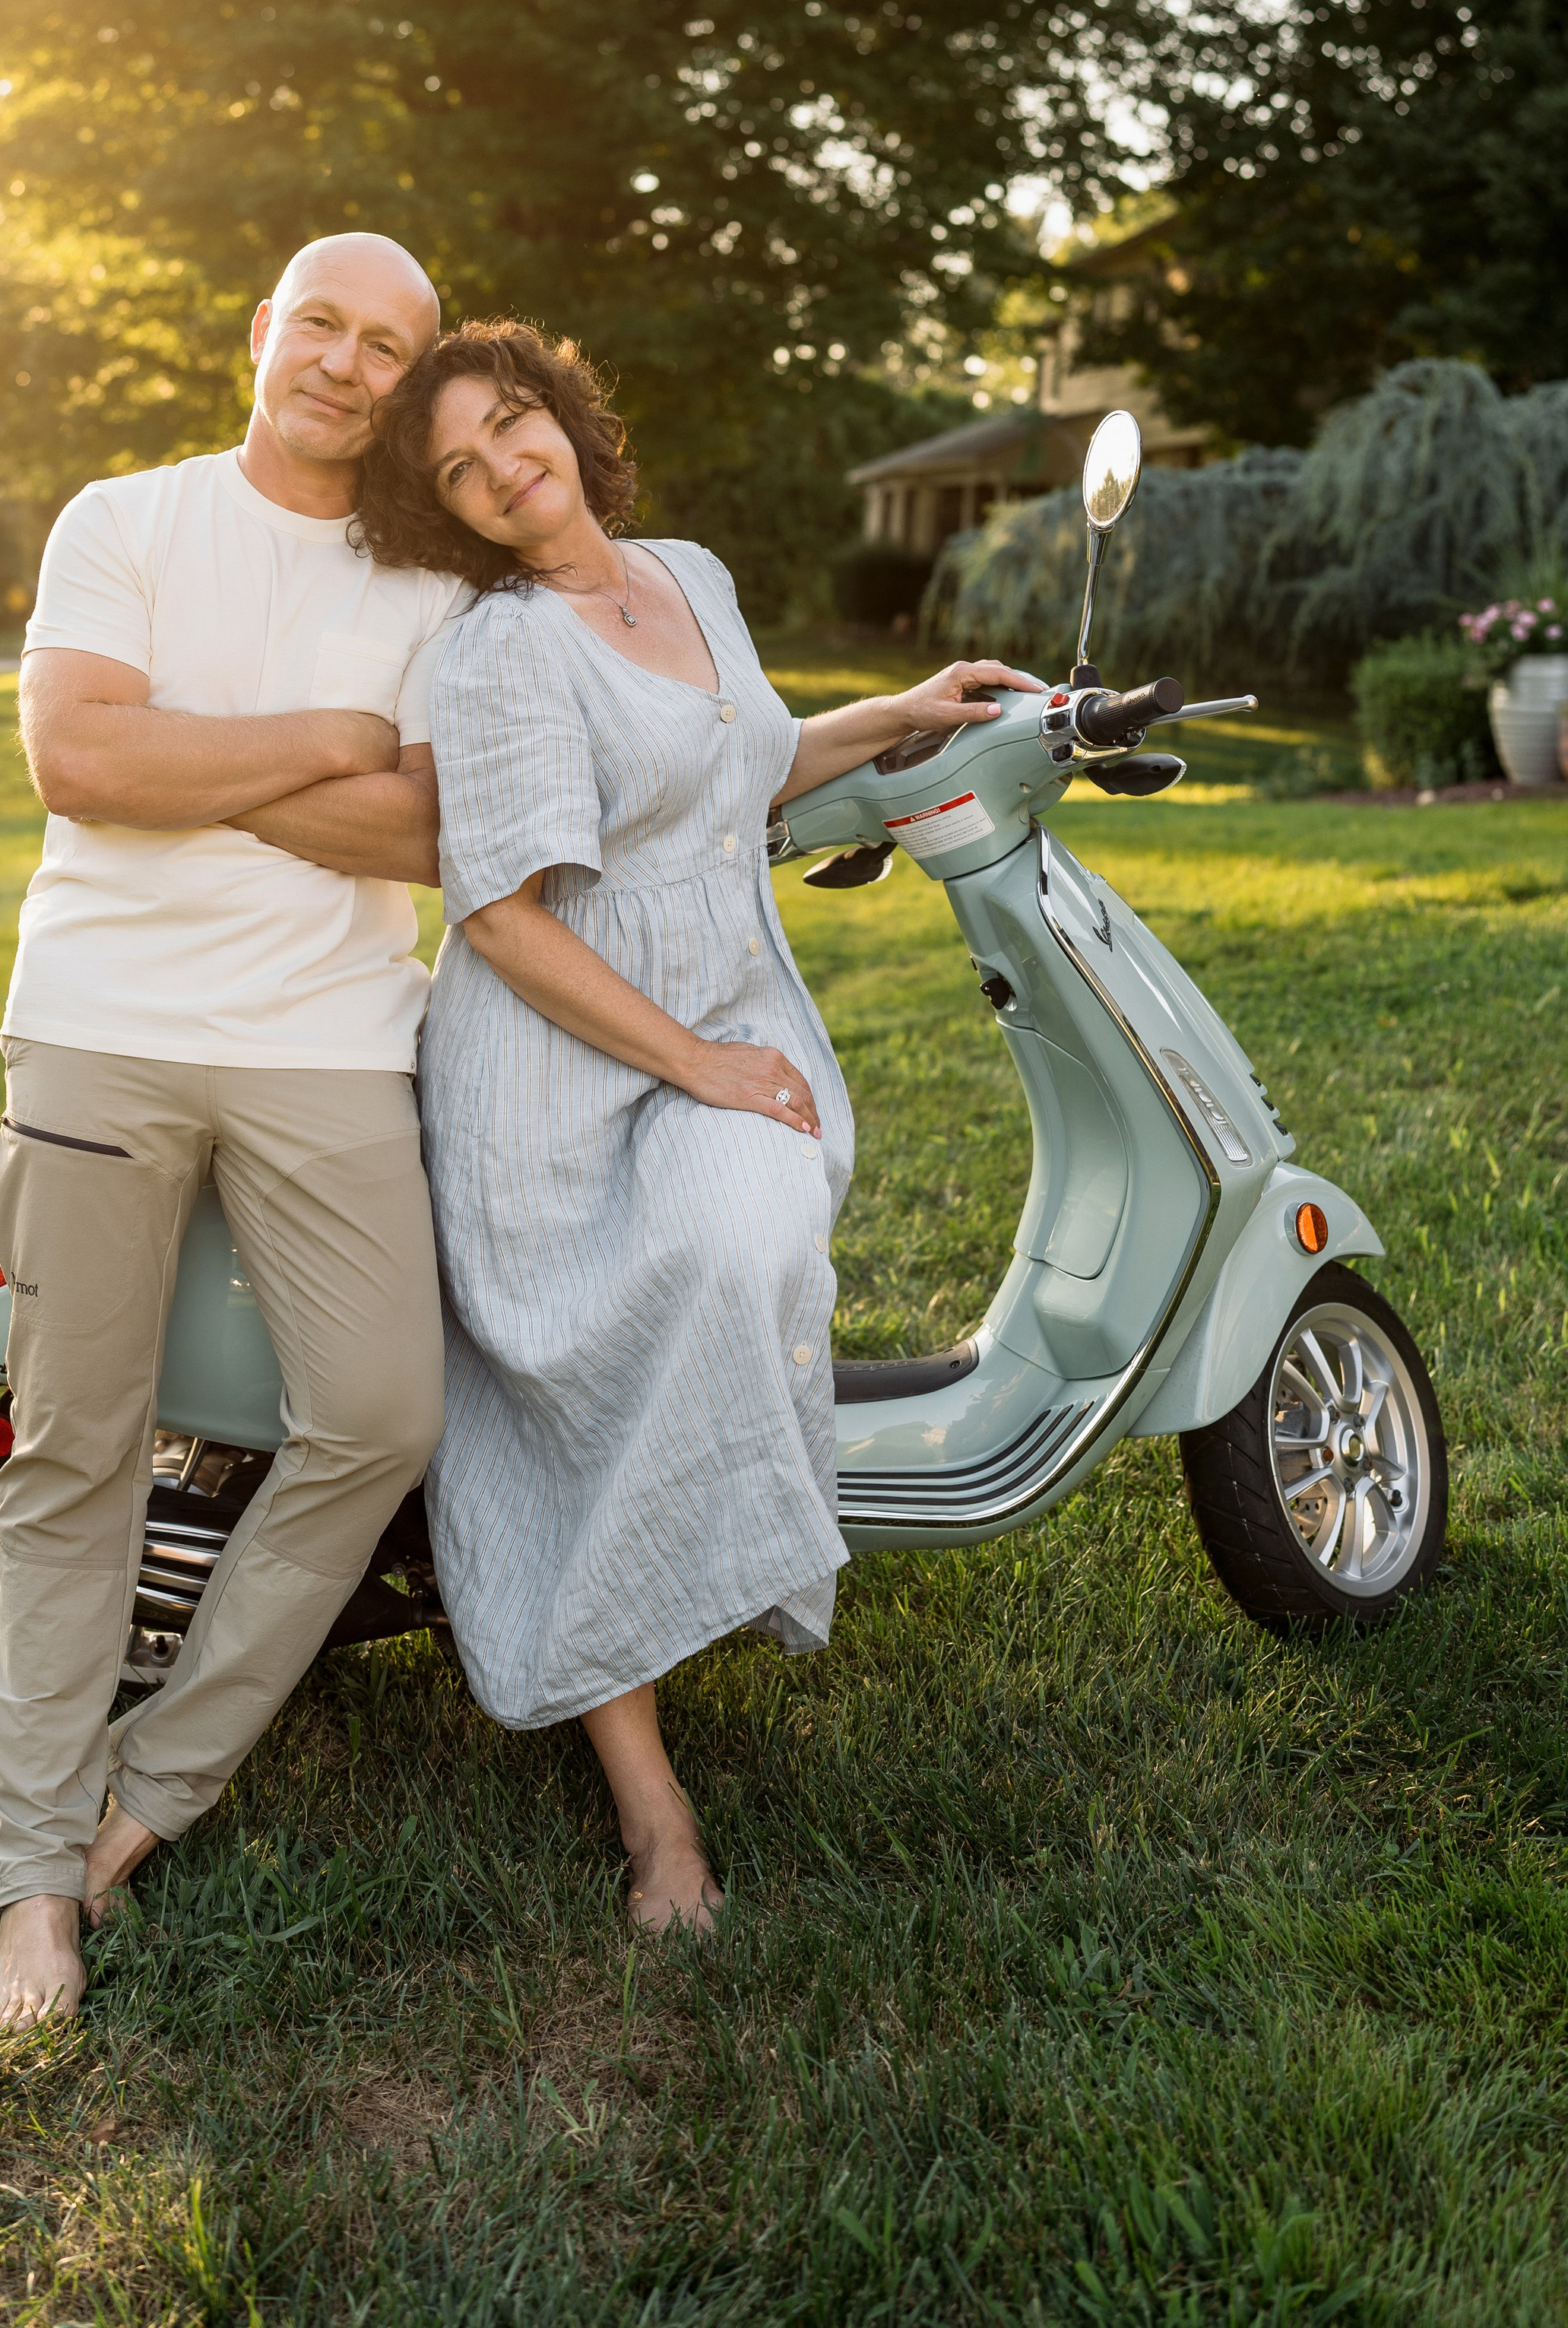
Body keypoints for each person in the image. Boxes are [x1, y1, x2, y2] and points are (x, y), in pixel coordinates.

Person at [360, 320, 1037, 1932]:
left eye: (511, 426)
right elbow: (507, 920)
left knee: (741, 1245)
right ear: (449, 510)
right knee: (634, 1329)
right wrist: (696, 1066)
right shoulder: (501, 646)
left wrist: (900, 712)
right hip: (553, 1075)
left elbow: (736, 775)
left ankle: (685, 1570)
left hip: (709, 1032)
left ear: (566, 420)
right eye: (459, 468)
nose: (501, 470)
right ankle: (650, 1804)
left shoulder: (687, 574)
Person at [0, 231, 470, 2031]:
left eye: (388, 347)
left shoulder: (433, 580)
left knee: (381, 1414)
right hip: (98, 1028)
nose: (346, 361)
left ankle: (154, 1786)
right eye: (322, 324)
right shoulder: (127, 518)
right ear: (263, 333)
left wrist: (208, 758)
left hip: (333, 1043)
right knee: (76, 1456)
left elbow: (430, 835)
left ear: (409, 384)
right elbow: (80, 767)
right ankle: (30, 1877)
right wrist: (327, 738)